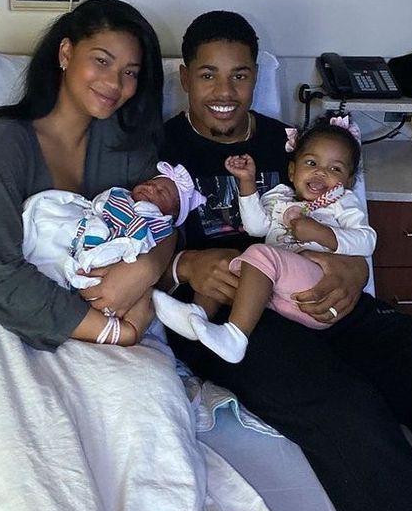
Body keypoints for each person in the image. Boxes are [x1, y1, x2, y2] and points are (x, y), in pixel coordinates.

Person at [159, 9, 412, 511]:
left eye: (240, 75)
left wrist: (353, 269)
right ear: (185, 79)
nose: (225, 92)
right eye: (208, 75)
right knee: (349, 412)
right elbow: (127, 242)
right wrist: (182, 265)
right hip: (238, 317)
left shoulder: (295, 144)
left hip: (324, 295)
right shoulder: (155, 147)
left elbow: (346, 228)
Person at [0, 0, 173, 350]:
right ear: (66, 54)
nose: (115, 83)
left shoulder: (127, 145)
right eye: (101, 61)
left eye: (130, 72)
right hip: (10, 316)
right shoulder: (6, 141)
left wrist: (148, 267)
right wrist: (113, 332)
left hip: (114, 314)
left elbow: (167, 221)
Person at [154, 114, 376, 363]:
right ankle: (196, 317)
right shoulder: (280, 198)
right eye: (312, 163)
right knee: (227, 265)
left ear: (349, 182)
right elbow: (255, 227)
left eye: (335, 169)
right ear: (292, 171)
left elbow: (367, 240)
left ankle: (236, 336)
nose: (321, 173)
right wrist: (247, 183)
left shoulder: (342, 204)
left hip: (316, 292)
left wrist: (322, 234)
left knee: (259, 254)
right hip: (277, 294)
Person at [21, 162, 205, 343]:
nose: (151, 188)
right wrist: (134, 230)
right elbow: (106, 207)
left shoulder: (162, 224)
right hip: (98, 239)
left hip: (121, 264)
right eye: (151, 182)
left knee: (144, 295)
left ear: (172, 214)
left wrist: (137, 241)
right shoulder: (119, 196)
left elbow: (151, 240)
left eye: (161, 192)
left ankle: (186, 320)